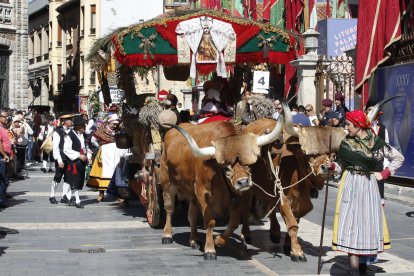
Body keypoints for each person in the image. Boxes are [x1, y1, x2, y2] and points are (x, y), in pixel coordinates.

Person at [326, 110, 404, 275]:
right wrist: (332, 167)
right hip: (350, 185)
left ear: (359, 125)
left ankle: (362, 264)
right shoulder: (345, 143)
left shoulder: (376, 143)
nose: (346, 128)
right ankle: (354, 269)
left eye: (348, 124)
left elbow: (398, 158)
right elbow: (340, 167)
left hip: (368, 187)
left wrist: (384, 174)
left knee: (366, 225)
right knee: (350, 225)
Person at [63, 115, 91, 208]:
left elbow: (84, 147)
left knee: (78, 181)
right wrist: (79, 155)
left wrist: (88, 156)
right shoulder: (69, 135)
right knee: (75, 181)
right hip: (74, 162)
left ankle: (68, 197)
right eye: (83, 126)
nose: (84, 127)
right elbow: (66, 149)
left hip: (81, 162)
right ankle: (77, 201)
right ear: (78, 126)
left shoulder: (82, 135)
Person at [365, 100, 389, 204]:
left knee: (379, 194)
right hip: (365, 164)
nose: (372, 112)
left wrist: (386, 163)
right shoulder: (362, 127)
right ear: (366, 112)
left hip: (378, 164)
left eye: (374, 109)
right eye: (370, 109)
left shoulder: (383, 128)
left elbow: (387, 146)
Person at [49, 113, 73, 205]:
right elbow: (55, 148)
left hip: (69, 158)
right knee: (58, 177)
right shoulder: (57, 132)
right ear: (65, 122)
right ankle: (52, 196)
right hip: (61, 157)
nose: (72, 121)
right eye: (70, 120)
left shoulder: (71, 131)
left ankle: (64, 196)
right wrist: (59, 160)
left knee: (68, 177)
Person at [0, 109, 11, 209]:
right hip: (2, 156)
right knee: (2, 178)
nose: (7, 118)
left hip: (5, 155)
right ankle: (1, 201)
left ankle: (2, 199)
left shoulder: (3, 127)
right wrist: (4, 155)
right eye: (5, 117)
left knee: (4, 178)